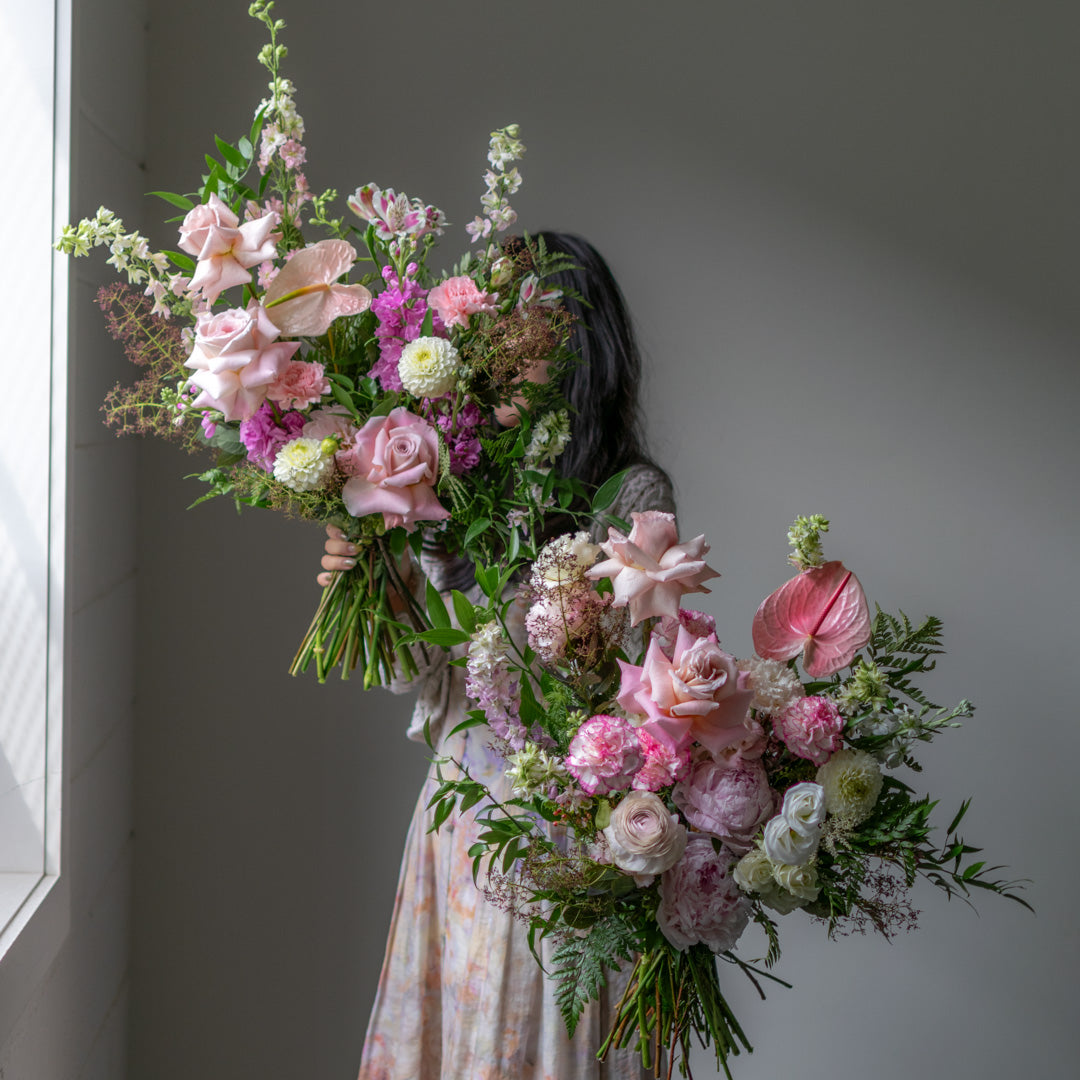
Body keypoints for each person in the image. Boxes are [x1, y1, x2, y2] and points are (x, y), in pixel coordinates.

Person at [320, 234, 676, 1080]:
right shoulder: (450, 474)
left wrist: (480, 560)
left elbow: (592, 686)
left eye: (535, 329)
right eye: (496, 329)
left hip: (557, 822)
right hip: (457, 820)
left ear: (582, 346)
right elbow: (424, 674)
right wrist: (373, 575)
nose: (509, 352)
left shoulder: (631, 494)